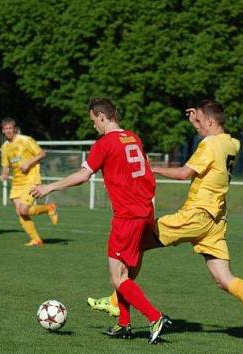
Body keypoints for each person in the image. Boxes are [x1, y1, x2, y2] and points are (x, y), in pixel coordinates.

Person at [91, 100, 243, 347]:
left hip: (195, 215)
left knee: (135, 239)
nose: (198, 125)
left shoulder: (209, 145)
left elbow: (184, 173)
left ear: (211, 122)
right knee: (224, 279)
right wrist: (196, 120)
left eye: (201, 121)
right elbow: (210, 137)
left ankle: (117, 301)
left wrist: (152, 169)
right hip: (215, 221)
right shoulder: (232, 143)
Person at [30, 98, 170, 344]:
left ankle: (155, 317)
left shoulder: (105, 143)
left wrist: (49, 187)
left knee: (117, 277)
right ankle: (124, 325)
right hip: (143, 211)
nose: (93, 125)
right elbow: (146, 172)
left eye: (93, 120)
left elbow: (84, 175)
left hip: (127, 216)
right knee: (124, 273)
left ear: (101, 116)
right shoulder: (133, 137)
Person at [0, 118, 58, 247]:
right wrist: (4, 174)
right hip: (17, 183)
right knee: (19, 212)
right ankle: (36, 239)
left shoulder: (26, 140)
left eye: (10, 128)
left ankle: (49, 208)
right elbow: (5, 165)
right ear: (3, 131)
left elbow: (42, 153)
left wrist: (28, 163)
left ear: (14, 128)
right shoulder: (4, 147)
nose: (8, 131)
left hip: (31, 179)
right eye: (5, 129)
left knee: (24, 210)